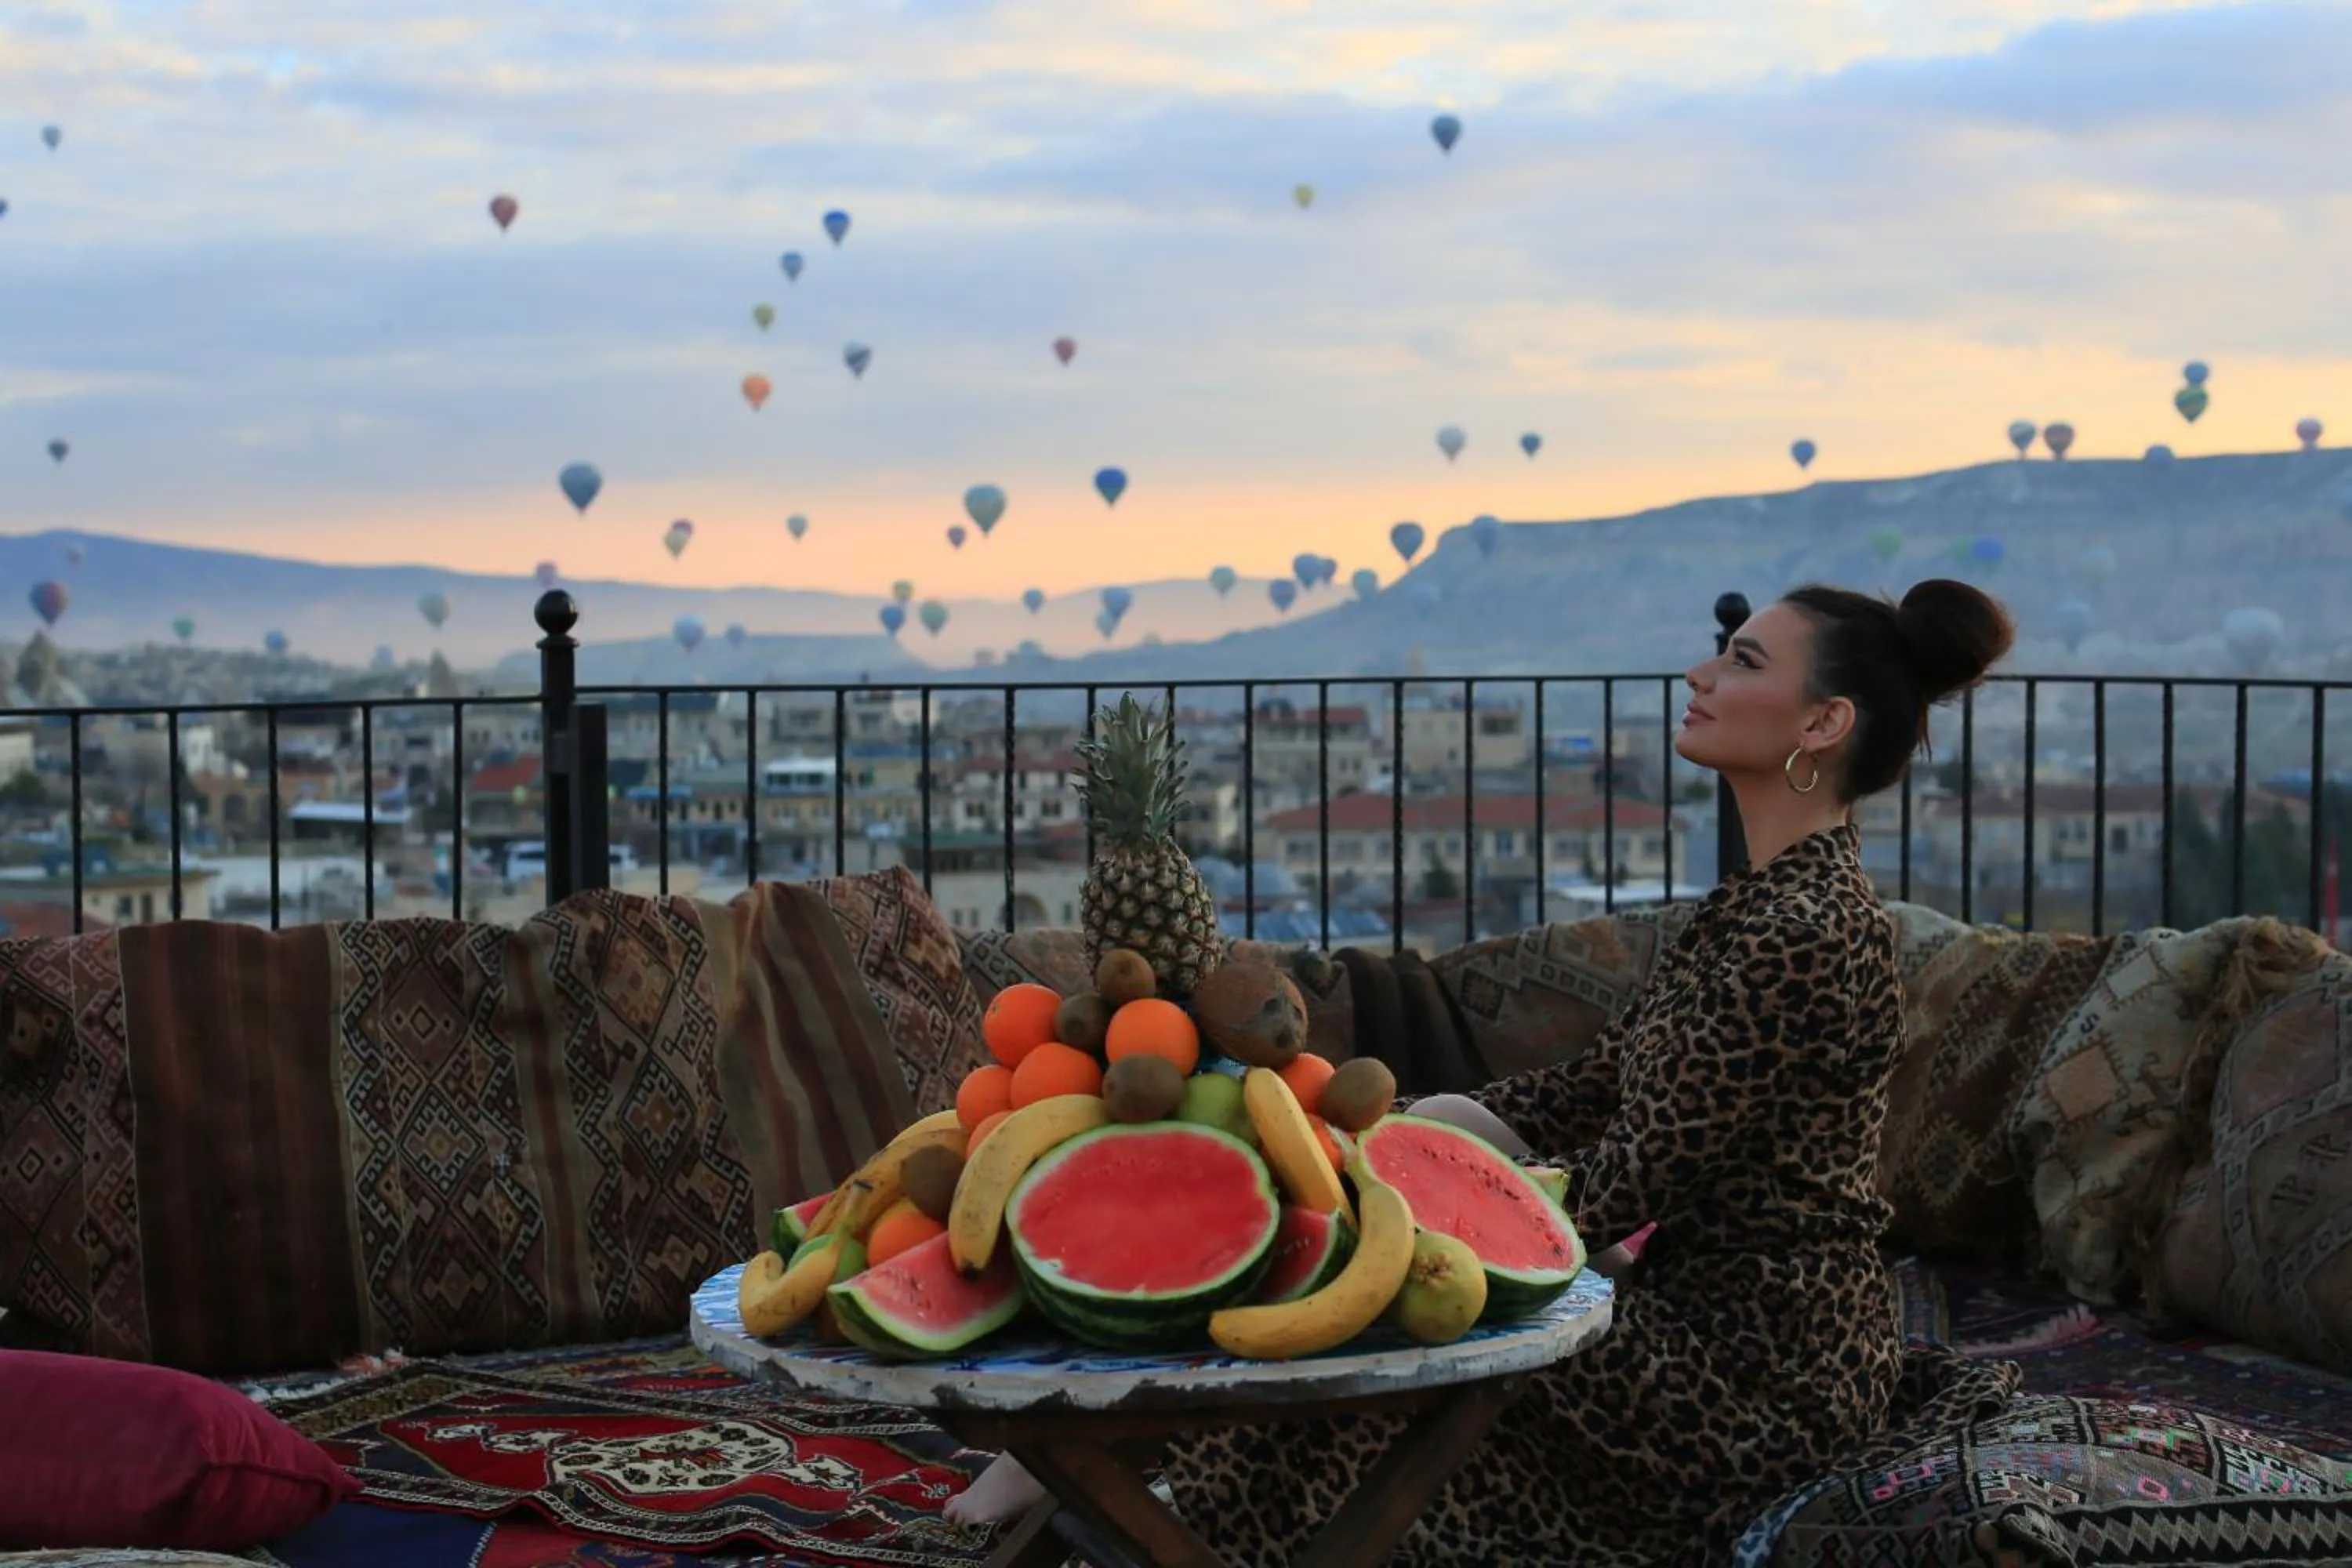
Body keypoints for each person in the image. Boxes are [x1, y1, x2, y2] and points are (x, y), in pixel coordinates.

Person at [949, 579, 2026, 1566]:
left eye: (1743, 662)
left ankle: (1105, 1489)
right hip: (1693, 1326)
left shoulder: (1808, 931)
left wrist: (1391, 1202)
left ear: (1823, 724)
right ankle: (1134, 1499)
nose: (1701, 674)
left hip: (1741, 1378)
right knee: (1332, 1253)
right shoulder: (1759, 906)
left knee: (1337, 1296)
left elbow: (1634, 1179)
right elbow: (1591, 1087)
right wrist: (1417, 1127)